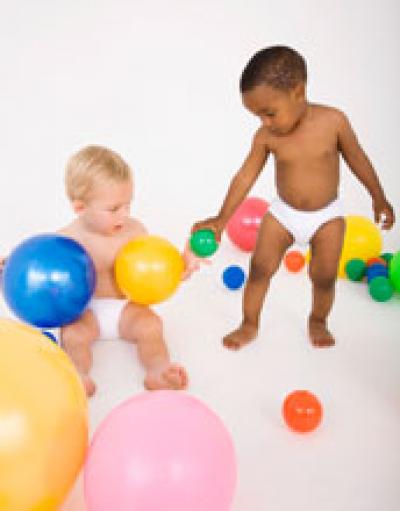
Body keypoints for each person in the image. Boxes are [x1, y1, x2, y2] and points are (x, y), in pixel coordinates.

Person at [191, 46, 395, 349]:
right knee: (260, 269)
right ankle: (249, 324)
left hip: (327, 217)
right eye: (258, 115)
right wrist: (221, 219)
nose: (265, 122)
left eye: (269, 113)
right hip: (284, 215)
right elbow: (245, 176)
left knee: (324, 276)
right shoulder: (266, 137)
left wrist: (378, 197)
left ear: (298, 92)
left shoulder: (334, 122)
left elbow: (358, 160)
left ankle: (318, 320)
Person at [0, 145, 198, 396]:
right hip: (85, 310)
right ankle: (78, 375)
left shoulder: (135, 232)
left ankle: (158, 369)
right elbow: (38, 266)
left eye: (128, 204)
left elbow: (155, 272)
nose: (124, 215)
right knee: (73, 336)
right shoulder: (66, 241)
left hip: (126, 307)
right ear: (80, 207)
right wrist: (11, 267)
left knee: (151, 326)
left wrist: (182, 264)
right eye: (114, 208)